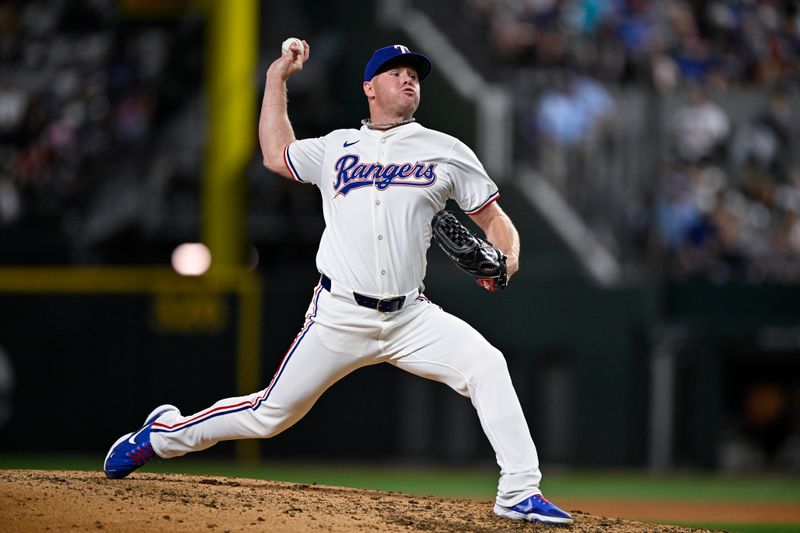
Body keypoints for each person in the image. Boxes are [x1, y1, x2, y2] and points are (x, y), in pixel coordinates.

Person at [103, 41, 573, 525]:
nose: (408, 78)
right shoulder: (336, 147)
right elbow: (274, 153)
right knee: (270, 415)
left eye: (414, 72)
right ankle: (161, 434)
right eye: (395, 71)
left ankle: (519, 490)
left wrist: (507, 260)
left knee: (487, 365)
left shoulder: (447, 151)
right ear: (369, 87)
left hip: (411, 315)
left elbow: (495, 219)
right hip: (339, 313)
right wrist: (276, 79)